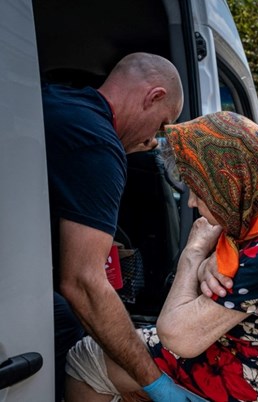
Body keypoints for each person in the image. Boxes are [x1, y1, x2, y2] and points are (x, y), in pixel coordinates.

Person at [65, 111, 258, 401]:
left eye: (199, 192)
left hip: (248, 374)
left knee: (86, 356)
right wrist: (205, 266)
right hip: (242, 347)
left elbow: (177, 335)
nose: (190, 201)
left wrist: (193, 253)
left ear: (226, 183)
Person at [43, 52, 186, 401]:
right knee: (72, 332)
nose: (154, 141)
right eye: (162, 124)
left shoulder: (53, 99)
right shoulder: (98, 142)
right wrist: (155, 383)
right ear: (153, 97)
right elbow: (83, 283)